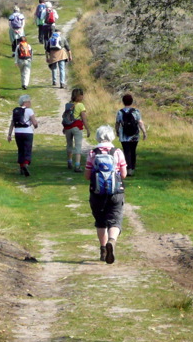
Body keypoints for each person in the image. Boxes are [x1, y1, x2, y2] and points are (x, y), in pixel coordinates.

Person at [84, 125, 127, 264]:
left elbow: (87, 175)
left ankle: (103, 250)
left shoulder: (93, 153)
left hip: (97, 192)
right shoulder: (117, 152)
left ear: (98, 137)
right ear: (111, 137)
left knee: (100, 221)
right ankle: (112, 241)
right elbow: (124, 174)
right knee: (115, 220)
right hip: (116, 191)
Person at [115, 94, 147, 176]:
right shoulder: (136, 111)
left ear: (123, 102)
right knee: (133, 151)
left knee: (126, 151)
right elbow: (140, 122)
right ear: (132, 101)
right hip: (134, 135)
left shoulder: (120, 112)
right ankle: (132, 168)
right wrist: (144, 132)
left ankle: (128, 168)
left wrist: (117, 132)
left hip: (124, 135)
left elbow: (117, 123)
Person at [7, 94, 38, 176]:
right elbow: (34, 123)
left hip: (17, 132)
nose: (30, 103)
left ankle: (21, 166)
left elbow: (12, 124)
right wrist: (36, 125)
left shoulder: (16, 111)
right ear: (26, 102)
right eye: (29, 101)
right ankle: (25, 164)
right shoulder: (29, 110)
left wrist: (9, 135)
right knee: (27, 149)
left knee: (20, 150)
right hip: (27, 132)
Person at [63, 88, 91, 172]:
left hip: (68, 127)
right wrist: (87, 128)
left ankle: (69, 161)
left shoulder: (68, 105)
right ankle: (77, 165)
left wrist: (64, 127)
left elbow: (66, 117)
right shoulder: (80, 105)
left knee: (69, 145)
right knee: (78, 146)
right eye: (82, 95)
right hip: (77, 127)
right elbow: (84, 118)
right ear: (79, 96)